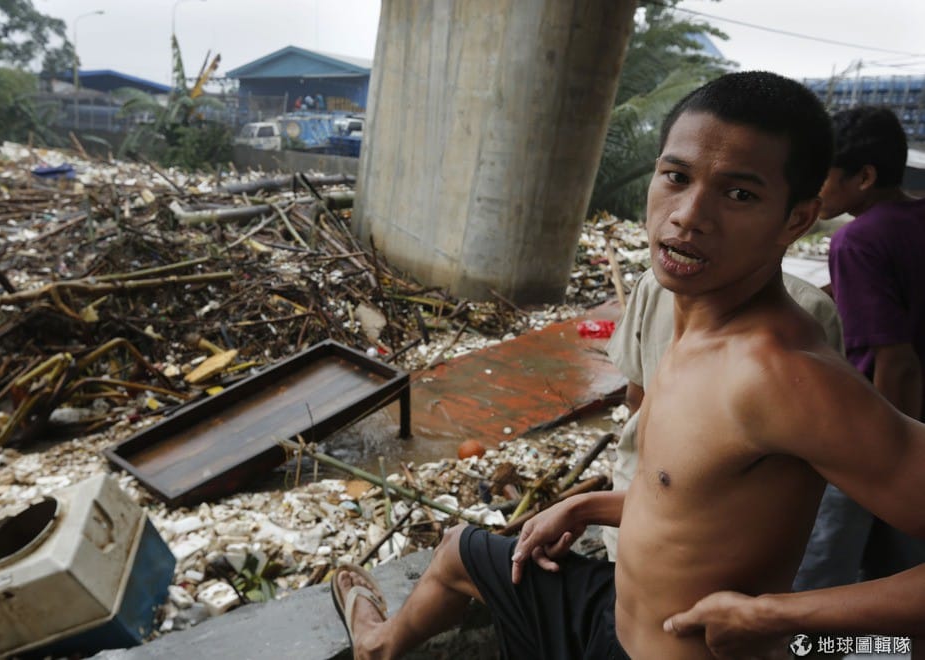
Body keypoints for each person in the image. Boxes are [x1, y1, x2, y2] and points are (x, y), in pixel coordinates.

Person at [331, 71, 925, 659]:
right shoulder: (687, 318)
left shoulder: (779, 376)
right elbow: (689, 501)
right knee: (461, 551)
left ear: (796, 219)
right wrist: (584, 505)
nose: (689, 215)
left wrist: (773, 615)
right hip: (615, 616)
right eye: (677, 177)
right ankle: (378, 646)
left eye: (740, 194)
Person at [601, 269, 844, 567]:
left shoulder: (659, 281)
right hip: (691, 535)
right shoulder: (657, 283)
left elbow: (635, 396)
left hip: (698, 544)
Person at [817, 105, 925, 584]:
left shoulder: (856, 241)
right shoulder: (913, 220)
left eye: (821, 175)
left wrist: (889, 461)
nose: (812, 188)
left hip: (885, 433)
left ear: (863, 177)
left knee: (825, 570)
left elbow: (897, 363)